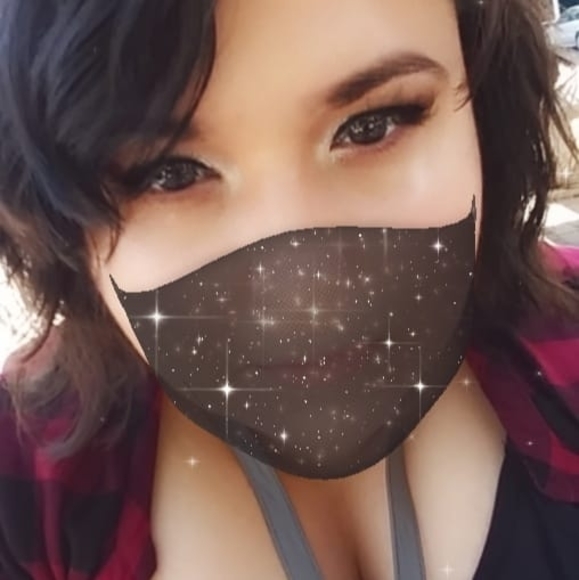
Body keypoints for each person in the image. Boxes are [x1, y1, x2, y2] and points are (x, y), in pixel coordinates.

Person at [0, 0, 578, 579]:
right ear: (58, 223)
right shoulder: (21, 475)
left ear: (484, 98)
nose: (306, 304)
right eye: (169, 173)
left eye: (373, 125)